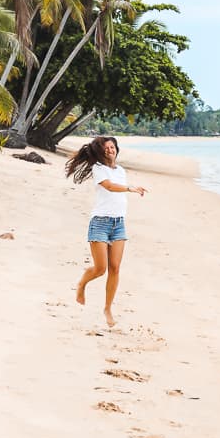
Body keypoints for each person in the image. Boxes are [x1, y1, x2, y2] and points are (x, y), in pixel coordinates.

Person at [65, 135, 147, 327]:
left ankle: (108, 308)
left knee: (115, 268)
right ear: (101, 151)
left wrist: (128, 187)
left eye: (112, 147)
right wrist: (130, 188)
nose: (110, 150)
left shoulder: (120, 170)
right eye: (106, 148)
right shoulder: (98, 169)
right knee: (100, 269)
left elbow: (116, 186)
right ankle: (82, 284)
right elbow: (109, 187)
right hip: (100, 223)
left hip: (119, 224)